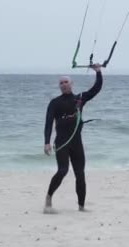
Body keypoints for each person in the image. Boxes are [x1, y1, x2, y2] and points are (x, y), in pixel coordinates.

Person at [43, 64, 103, 213]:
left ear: (71, 84)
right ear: (59, 86)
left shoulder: (80, 99)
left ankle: (81, 207)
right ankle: (48, 200)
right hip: (62, 143)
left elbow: (96, 89)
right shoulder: (55, 103)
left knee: (80, 174)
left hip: (76, 143)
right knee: (63, 171)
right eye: (61, 83)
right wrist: (47, 142)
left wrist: (98, 72)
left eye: (66, 82)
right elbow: (49, 123)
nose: (63, 85)